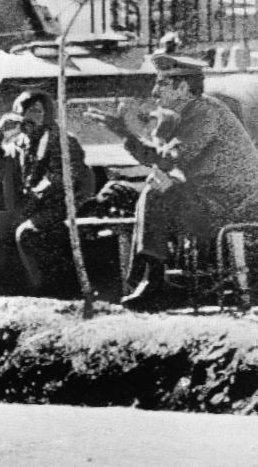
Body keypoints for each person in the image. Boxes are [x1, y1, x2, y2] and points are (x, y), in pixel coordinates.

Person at [86, 53, 258, 310]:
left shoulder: (204, 112)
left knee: (156, 192)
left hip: (233, 206)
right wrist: (126, 136)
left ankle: (153, 280)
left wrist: (126, 133)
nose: (155, 92)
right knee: (149, 189)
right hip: (215, 202)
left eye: (162, 84)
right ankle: (149, 277)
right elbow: (165, 162)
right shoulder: (191, 114)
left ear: (184, 87)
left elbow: (169, 160)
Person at [0, 90, 94, 295]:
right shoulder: (18, 145)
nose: (27, 115)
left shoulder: (62, 141)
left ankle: (43, 290)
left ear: (48, 113)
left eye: (35, 110)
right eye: (22, 109)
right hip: (26, 211)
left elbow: (62, 179)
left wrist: (34, 201)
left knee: (27, 233)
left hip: (60, 210)